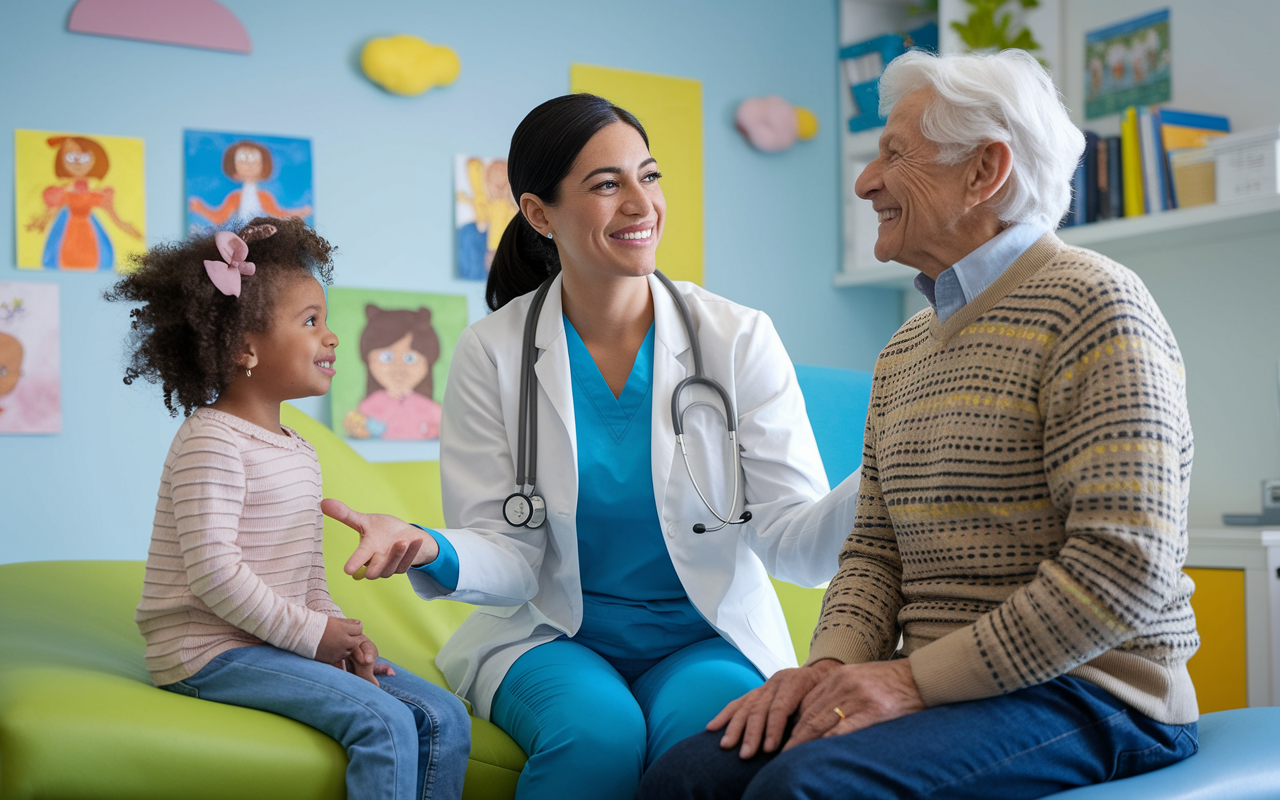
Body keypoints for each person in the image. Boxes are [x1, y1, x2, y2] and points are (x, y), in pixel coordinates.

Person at [639, 48, 1200, 800]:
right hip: (943, 689)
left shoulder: (1096, 305)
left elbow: (1122, 568)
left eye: (894, 155)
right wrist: (829, 671)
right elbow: (873, 552)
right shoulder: (906, 346)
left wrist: (909, 681)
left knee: (804, 789)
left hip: (1096, 692)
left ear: (983, 172)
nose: (866, 181)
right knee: (686, 777)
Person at [321, 93, 863, 800]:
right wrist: (430, 545)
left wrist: (886, 464)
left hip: (705, 636)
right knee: (598, 737)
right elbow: (510, 557)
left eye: (650, 175)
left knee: (715, 745)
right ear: (540, 214)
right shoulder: (493, 352)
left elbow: (797, 548)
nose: (642, 204)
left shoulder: (738, 338)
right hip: (549, 634)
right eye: (608, 185)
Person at [106, 217, 471, 800]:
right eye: (310, 322)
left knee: (446, 718)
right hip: (208, 652)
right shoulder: (212, 439)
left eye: (325, 320)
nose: (331, 337)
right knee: (384, 721)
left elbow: (301, 575)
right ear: (246, 346)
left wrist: (341, 636)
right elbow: (215, 574)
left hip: (275, 639)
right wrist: (310, 637)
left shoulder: (300, 449)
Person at [26, 135, 142, 270]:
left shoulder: (99, 192)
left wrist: (128, 228)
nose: (77, 162)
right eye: (70, 157)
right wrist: (39, 222)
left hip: (89, 229)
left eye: (84, 157)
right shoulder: (61, 191)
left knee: (94, 256)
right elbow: (50, 212)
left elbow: (113, 216)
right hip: (66, 227)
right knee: (62, 255)